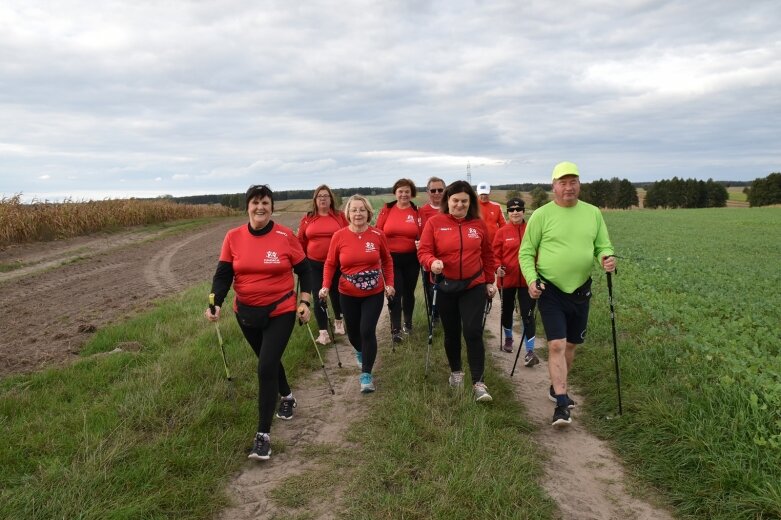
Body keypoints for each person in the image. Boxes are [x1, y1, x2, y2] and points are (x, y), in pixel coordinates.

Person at [205, 184, 313, 461]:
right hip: (246, 312)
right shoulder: (233, 237)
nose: (260, 207)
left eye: (265, 202)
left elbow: (305, 270)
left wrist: (306, 302)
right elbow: (223, 275)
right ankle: (287, 396)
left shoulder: (285, 236)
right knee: (269, 360)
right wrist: (215, 302)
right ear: (247, 207)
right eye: (255, 202)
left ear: (272, 207)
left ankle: (263, 436)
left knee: (265, 366)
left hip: (281, 309)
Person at [519, 162, 616, 428]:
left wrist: (605, 258)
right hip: (550, 289)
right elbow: (526, 252)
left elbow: (602, 245)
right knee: (556, 345)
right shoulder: (541, 215)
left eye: (573, 181)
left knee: (571, 346)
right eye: (563, 182)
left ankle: (555, 387)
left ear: (579, 185)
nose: (569, 187)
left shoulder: (593, 213)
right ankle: (562, 405)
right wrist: (531, 280)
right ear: (554, 186)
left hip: (581, 289)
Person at [418, 180, 497, 402]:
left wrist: (489, 281)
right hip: (445, 285)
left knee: (472, 331)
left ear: (470, 202)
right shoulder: (435, 223)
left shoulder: (478, 225)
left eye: (464, 201)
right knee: (451, 332)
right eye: (455, 201)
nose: (460, 205)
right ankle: (456, 373)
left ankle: (479, 382)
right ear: (447, 201)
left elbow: (488, 255)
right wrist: (431, 262)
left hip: (473, 285)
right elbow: (423, 251)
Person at [320, 195, 395, 393]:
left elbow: (387, 261)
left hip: (374, 292)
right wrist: (325, 286)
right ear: (348, 214)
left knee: (367, 330)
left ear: (368, 212)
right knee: (353, 333)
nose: (358, 213)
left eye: (362, 209)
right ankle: (361, 351)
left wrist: (390, 284)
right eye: (354, 210)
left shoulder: (378, 235)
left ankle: (366, 375)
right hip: (347, 292)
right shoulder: (339, 236)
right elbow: (330, 263)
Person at [297, 185, 349, 345]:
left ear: (331, 199)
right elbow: (301, 241)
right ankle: (323, 332)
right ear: (315, 199)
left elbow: (348, 235)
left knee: (336, 293)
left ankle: (339, 321)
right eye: (320, 196)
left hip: (337, 263)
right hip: (314, 264)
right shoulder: (308, 218)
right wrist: (301, 261)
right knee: (319, 294)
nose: (323, 199)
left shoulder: (339, 217)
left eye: (326, 196)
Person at [493, 197, 539, 366]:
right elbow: (494, 256)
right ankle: (509, 339)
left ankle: (530, 351)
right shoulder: (502, 232)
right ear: (508, 213)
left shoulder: (532, 230)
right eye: (511, 210)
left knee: (527, 314)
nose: (515, 212)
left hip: (528, 280)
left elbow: (540, 252)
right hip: (507, 280)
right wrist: (497, 267)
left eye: (518, 209)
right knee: (507, 310)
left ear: (524, 211)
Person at [376, 179, 422, 342]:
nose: (404, 194)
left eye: (407, 191)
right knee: (395, 292)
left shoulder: (417, 211)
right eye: (401, 191)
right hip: (391, 259)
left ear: (412, 193)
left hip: (411, 259)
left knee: (409, 292)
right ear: (395, 192)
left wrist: (421, 243)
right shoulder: (387, 209)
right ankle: (395, 329)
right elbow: (377, 231)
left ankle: (407, 323)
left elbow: (422, 233)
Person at [418, 176, 446, 321]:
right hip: (429, 256)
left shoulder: (449, 209)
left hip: (447, 254)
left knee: (447, 286)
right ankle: (434, 315)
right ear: (428, 191)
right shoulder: (422, 211)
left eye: (440, 190)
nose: (437, 193)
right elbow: (417, 231)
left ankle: (447, 314)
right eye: (433, 190)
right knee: (430, 286)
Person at [476, 181, 506, 246]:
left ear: (489, 192)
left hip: (495, 243)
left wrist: (502, 239)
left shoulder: (497, 206)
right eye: (482, 194)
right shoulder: (472, 206)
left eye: (485, 194)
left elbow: (503, 224)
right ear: (478, 193)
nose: (484, 196)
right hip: (478, 243)